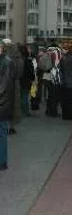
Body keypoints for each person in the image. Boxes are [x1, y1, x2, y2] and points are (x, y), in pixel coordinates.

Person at [0, 39, 15, 170]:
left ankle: (2, 161)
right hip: (3, 102)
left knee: (1, 132)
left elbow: (5, 86)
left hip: (2, 103)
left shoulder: (7, 62)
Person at [4, 40, 24, 135]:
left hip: (5, 84)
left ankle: (5, 126)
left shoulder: (5, 59)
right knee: (14, 105)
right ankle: (11, 126)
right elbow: (20, 74)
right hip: (15, 84)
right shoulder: (20, 59)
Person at [39, 46, 62, 117]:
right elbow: (56, 66)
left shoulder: (43, 56)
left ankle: (48, 110)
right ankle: (53, 111)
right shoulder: (54, 55)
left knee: (50, 94)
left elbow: (40, 66)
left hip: (45, 76)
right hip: (52, 76)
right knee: (54, 95)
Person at [19, 44, 35, 117]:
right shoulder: (27, 60)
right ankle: (25, 112)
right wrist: (32, 79)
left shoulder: (18, 59)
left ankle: (21, 111)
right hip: (26, 81)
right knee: (24, 96)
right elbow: (31, 72)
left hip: (19, 80)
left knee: (21, 96)